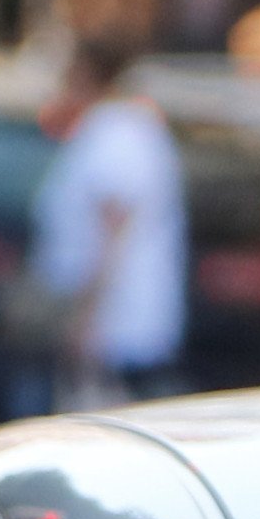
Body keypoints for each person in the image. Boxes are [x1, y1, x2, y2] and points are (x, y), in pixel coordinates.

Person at [32, 28, 188, 402]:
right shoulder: (127, 127)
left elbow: (112, 230)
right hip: (119, 322)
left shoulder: (114, 132)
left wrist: (87, 321)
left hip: (115, 329)